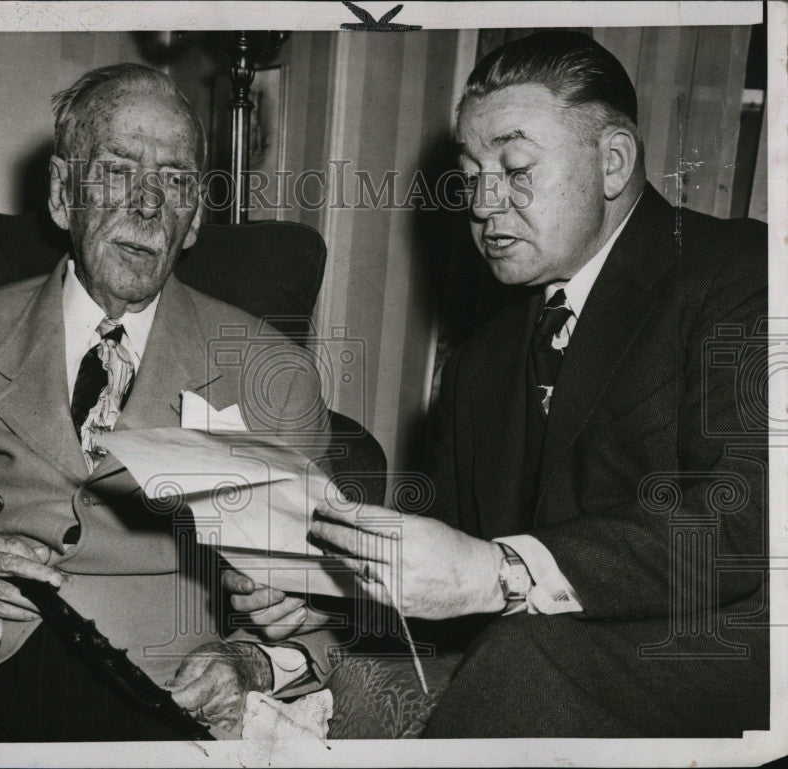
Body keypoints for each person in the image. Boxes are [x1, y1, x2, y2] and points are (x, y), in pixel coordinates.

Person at [0, 63, 332, 741]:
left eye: (175, 180)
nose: (148, 205)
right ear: (64, 193)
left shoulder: (274, 376)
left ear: (196, 217)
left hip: (151, 700)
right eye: (119, 170)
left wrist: (248, 659)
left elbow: (324, 607)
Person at [306, 31, 769, 737]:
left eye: (516, 167)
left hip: (720, 647)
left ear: (613, 162)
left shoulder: (740, 274)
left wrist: (501, 571)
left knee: (526, 655)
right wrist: (327, 597)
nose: (483, 203)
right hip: (545, 660)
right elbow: (453, 575)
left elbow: (743, 520)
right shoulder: (478, 364)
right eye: (470, 174)